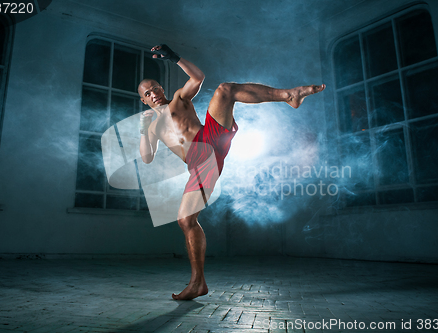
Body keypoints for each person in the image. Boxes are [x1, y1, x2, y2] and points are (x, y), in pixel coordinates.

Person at [138, 44, 325, 300]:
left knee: (225, 89)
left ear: (162, 88)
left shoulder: (180, 99)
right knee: (185, 220)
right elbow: (147, 158)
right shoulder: (152, 128)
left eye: (156, 88)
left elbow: (198, 78)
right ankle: (198, 283)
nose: (154, 94)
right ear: (144, 100)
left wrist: (174, 58)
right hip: (200, 161)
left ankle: (289, 95)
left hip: (209, 138)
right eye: (148, 93)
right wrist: (142, 128)